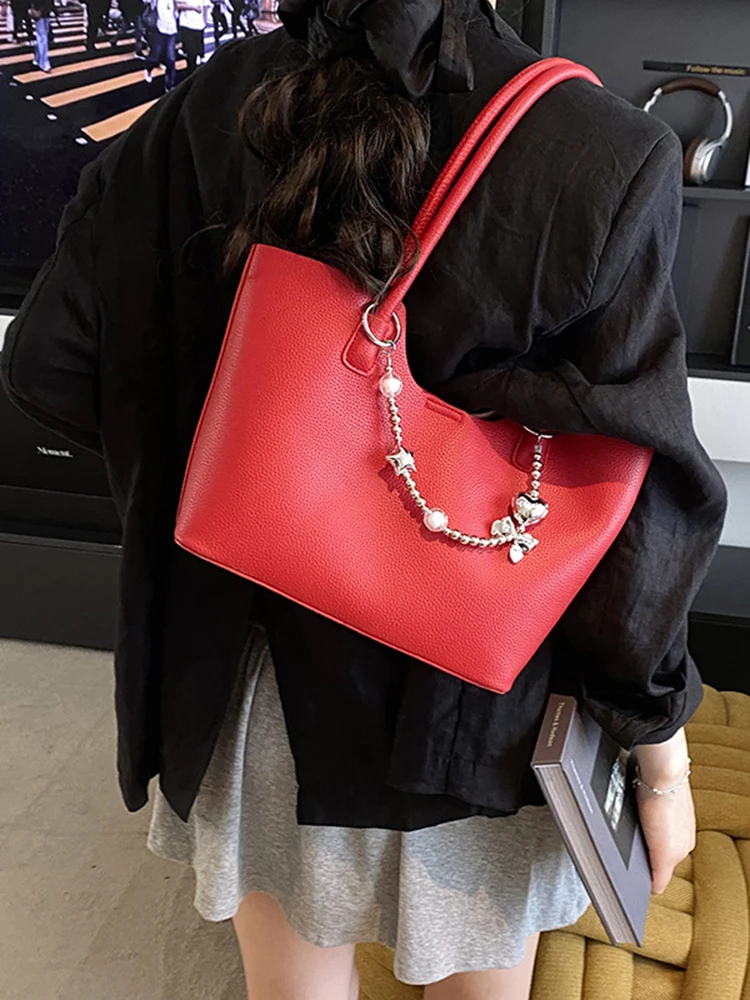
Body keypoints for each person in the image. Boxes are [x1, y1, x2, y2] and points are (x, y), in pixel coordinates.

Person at [0, 1, 727, 997]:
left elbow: (50, 359)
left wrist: (240, 466)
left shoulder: (208, 102)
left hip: (248, 684)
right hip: (479, 706)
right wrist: (661, 758)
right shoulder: (603, 147)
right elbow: (639, 506)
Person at [143, 0, 177, 92]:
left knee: (171, 59)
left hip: (172, 30)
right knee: (155, 56)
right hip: (159, 29)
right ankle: (148, 69)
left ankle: (169, 85)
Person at [176, 0, 207, 74]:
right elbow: (177, 5)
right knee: (191, 54)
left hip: (199, 26)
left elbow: (205, 6)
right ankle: (191, 75)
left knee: (198, 54)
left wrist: (204, 22)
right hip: (187, 25)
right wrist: (194, 8)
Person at [28, 0, 53, 72]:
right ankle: (44, 62)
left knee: (42, 36)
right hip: (40, 9)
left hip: (44, 10)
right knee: (42, 37)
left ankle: (37, 59)